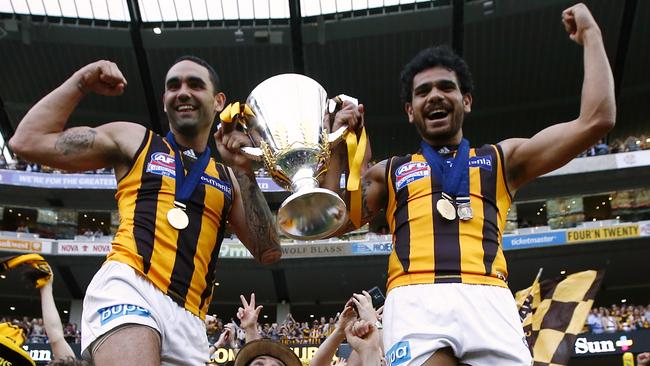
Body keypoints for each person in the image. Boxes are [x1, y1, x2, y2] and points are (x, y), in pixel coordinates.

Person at [323, 3, 615, 365]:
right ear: (410, 111)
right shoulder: (391, 171)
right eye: (422, 91)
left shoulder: (502, 160)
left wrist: (591, 35)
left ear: (467, 100)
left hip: (488, 294)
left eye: (446, 86)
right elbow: (333, 222)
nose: (434, 95)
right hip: (415, 295)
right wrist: (336, 145)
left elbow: (596, 120)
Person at [9, 56, 282, 365]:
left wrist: (245, 171)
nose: (182, 92)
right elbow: (27, 141)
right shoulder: (134, 140)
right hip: (130, 284)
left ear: (218, 101)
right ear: (164, 101)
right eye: (173, 86)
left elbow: (269, 251)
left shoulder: (229, 178)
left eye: (195, 84)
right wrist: (82, 81)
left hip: (191, 317)